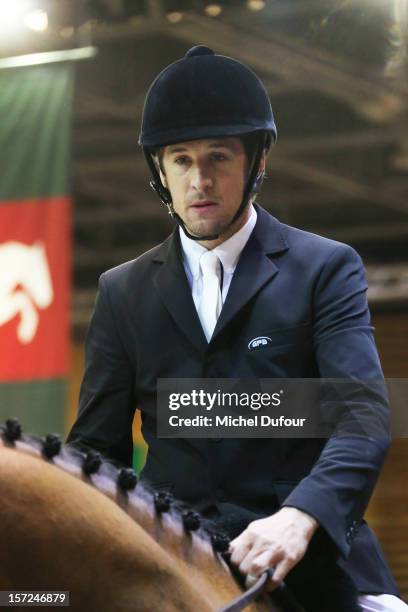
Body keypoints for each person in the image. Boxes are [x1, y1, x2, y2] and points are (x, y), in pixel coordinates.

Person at [67, 46, 407, 611]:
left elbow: (362, 419)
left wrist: (299, 518)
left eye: (219, 157)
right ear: (160, 170)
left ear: (257, 162)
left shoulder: (324, 267)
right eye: (181, 159)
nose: (199, 179)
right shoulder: (121, 291)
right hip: (168, 556)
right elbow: (97, 451)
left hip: (300, 556)